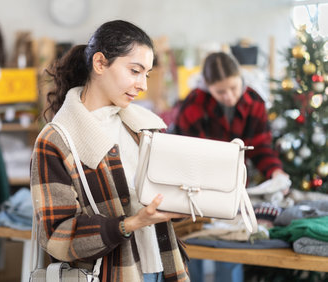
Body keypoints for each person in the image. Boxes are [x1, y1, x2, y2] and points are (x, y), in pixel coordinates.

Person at [30, 20, 190, 282]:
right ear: (100, 63)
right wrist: (130, 224)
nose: (143, 85)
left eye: (146, 74)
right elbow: (56, 235)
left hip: (164, 268)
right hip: (110, 275)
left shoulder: (146, 128)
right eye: (135, 71)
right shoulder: (56, 140)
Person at [169, 52, 289, 282]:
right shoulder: (194, 103)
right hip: (196, 187)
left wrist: (275, 171)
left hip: (234, 187)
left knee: (230, 244)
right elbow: (188, 152)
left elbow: (261, 146)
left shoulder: (255, 101)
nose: (229, 96)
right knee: (195, 245)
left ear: (240, 78)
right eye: (220, 91)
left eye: (234, 88)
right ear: (207, 87)